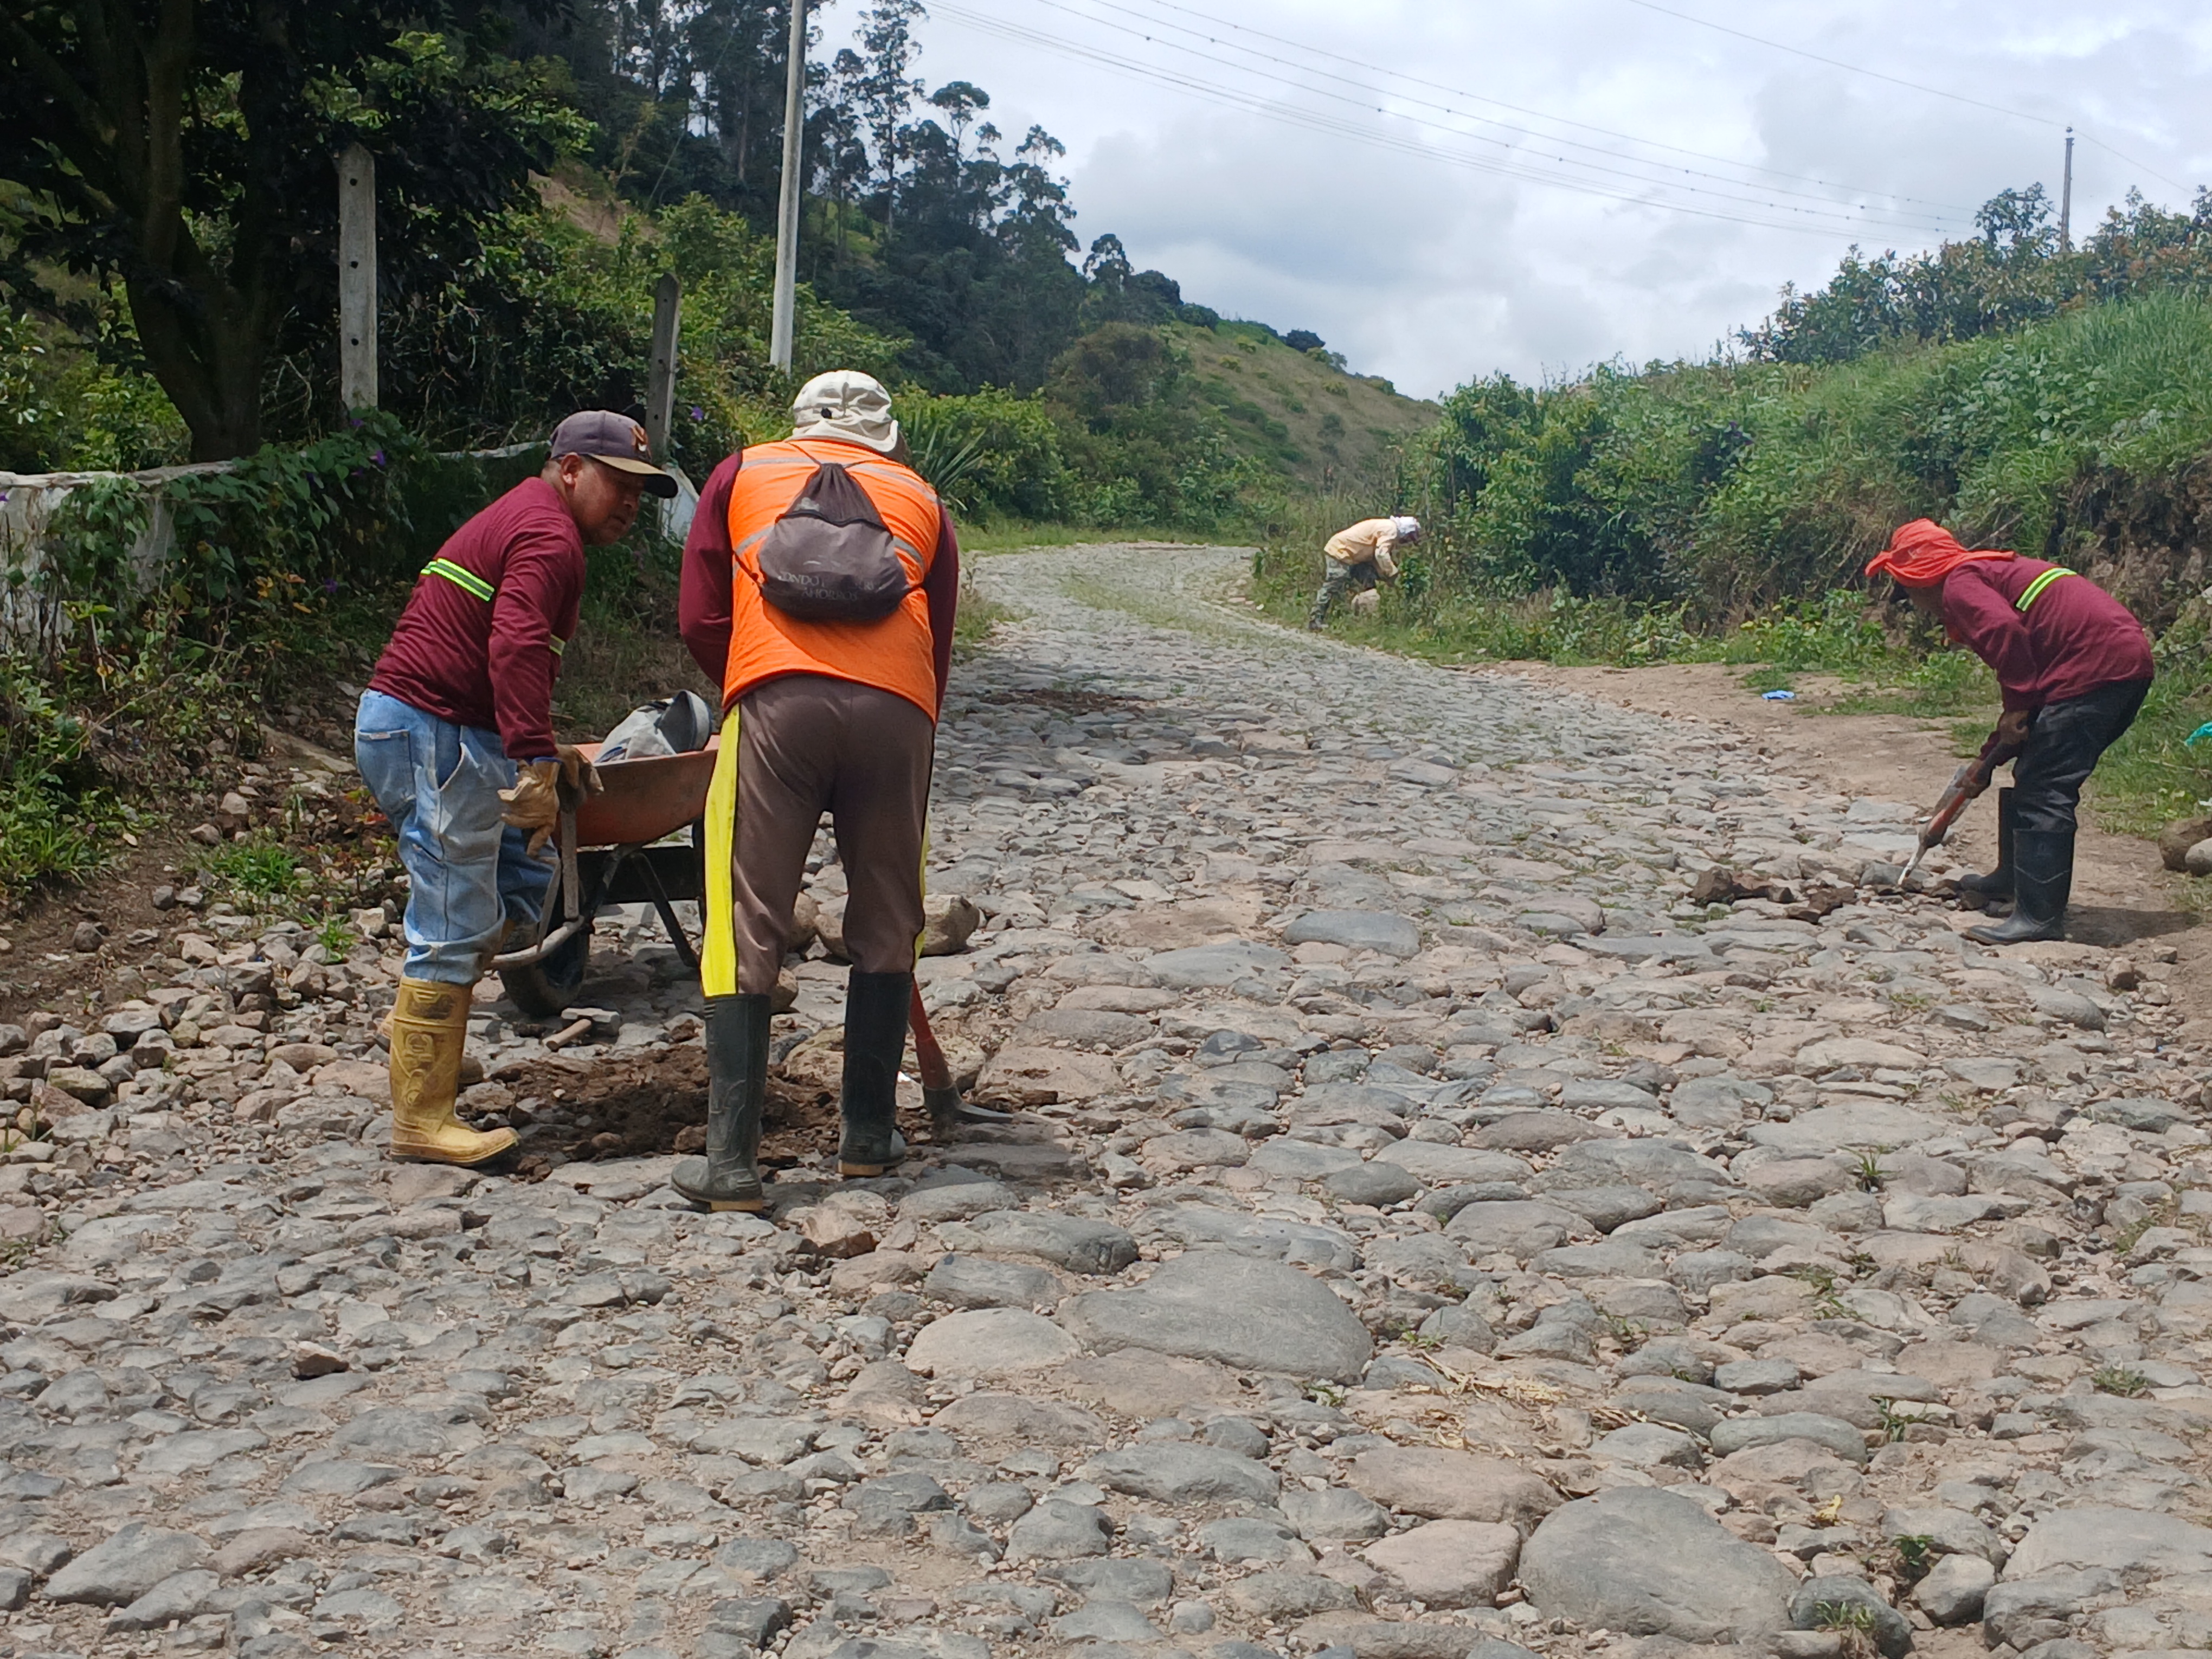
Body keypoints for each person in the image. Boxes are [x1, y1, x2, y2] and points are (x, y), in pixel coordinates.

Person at [355, 412, 678, 1163]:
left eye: (642, 492)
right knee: (455, 913)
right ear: (570, 469)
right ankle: (421, 1118)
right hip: (432, 730)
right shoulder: (549, 534)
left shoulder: (531, 518)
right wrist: (533, 755)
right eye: (619, 484)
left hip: (439, 726)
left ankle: (427, 1038)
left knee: (518, 877)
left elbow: (501, 643)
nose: (631, 503)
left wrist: (534, 744)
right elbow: (517, 641)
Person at [673, 370, 960, 1211]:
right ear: (886, 436)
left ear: (798, 424)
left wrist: (750, 682)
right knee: (889, 914)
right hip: (898, 711)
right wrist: (904, 715)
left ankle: (732, 1165)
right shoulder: (924, 500)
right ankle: (868, 1135)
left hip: (778, 701)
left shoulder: (741, 473)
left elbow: (699, 615)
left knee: (748, 915)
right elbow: (939, 638)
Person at [1867, 518, 2153, 944]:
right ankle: (2012, 880)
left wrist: (2016, 705)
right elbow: (2026, 708)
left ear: (1919, 580)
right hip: (2113, 666)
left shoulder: (1960, 584)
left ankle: (2039, 919)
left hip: (2094, 669)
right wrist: (1987, 760)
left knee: (2044, 786)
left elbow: (2005, 634)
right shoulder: (1984, 574)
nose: (1913, 603)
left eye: (1906, 590)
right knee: (2036, 763)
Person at [1309, 515, 1419, 628]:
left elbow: (1376, 557)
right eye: (1410, 538)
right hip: (1341, 551)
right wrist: (1393, 574)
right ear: (1407, 532)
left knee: (1370, 580)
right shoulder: (1391, 530)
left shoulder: (1387, 527)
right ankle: (1316, 620)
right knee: (1334, 584)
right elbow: (1381, 555)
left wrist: (1384, 576)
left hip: (1354, 556)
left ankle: (1364, 617)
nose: (1407, 542)